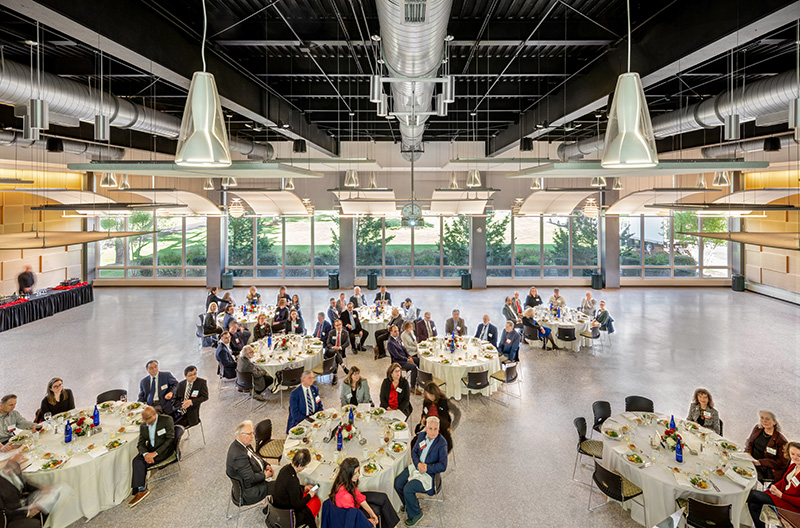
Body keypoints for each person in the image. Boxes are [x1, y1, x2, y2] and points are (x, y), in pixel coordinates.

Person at [393, 417, 448, 526]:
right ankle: (408, 503)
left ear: (438, 429)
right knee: (398, 483)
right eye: (430, 428)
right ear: (426, 428)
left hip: (428, 475)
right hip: (416, 467)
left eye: (435, 429)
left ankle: (416, 513)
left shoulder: (442, 443)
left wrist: (427, 467)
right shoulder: (422, 436)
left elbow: (443, 466)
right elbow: (414, 452)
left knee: (408, 489)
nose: (433, 432)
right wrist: (418, 464)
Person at [330, 457, 399, 528]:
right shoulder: (345, 497)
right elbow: (351, 521)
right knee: (378, 509)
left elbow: (359, 497)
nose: (358, 475)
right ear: (348, 474)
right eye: (355, 473)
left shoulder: (345, 481)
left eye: (358, 471)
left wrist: (371, 513)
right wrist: (369, 521)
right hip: (350, 517)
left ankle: (394, 526)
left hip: (354, 501)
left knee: (383, 498)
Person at [128, 406, 175, 507]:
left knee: (141, 464)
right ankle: (141, 489)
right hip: (150, 450)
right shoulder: (144, 426)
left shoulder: (167, 420)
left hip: (164, 450)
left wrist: (155, 453)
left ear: (154, 415)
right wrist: (146, 454)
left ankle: (141, 490)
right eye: (144, 419)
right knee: (136, 460)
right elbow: (140, 444)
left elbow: (170, 439)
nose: (145, 421)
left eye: (147, 419)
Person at [746, 442, 800, 528]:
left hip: (791, 507)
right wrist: (775, 486)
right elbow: (784, 481)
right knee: (753, 505)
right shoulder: (793, 466)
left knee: (752, 494)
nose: (795, 457)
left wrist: (781, 495)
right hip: (782, 497)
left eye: (799, 455)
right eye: (792, 454)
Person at [226, 420, 274, 508]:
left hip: (254, 477)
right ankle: (274, 510)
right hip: (249, 490)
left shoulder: (243, 444)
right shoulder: (238, 456)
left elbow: (256, 457)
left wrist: (266, 465)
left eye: (253, 433)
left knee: (282, 477)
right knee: (279, 485)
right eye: (250, 434)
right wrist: (265, 476)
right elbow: (250, 478)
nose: (252, 436)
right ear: (241, 435)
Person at [272, 449, 321, 527]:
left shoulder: (285, 468)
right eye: (304, 466)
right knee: (314, 505)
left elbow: (289, 487)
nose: (304, 468)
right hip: (287, 513)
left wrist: (304, 487)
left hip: (278, 506)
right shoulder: (293, 480)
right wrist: (309, 495)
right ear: (299, 466)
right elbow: (297, 505)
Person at [0, 452, 48, 527]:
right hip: (12, 516)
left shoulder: (13, 469)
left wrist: (41, 488)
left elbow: (24, 485)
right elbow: (5, 510)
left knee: (49, 498)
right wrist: (28, 508)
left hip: (23, 504)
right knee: (34, 523)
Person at [745, 411, 790, 482]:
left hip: (767, 468)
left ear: (774, 422)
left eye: (767, 419)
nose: (764, 421)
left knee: (748, 478)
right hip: (752, 460)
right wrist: (748, 454)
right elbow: (749, 443)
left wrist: (760, 462)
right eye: (762, 418)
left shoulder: (781, 441)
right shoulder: (757, 429)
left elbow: (782, 463)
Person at [415, 382, 452, 451]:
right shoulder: (426, 401)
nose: (430, 397)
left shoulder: (443, 401)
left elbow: (446, 415)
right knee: (419, 442)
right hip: (428, 423)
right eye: (428, 395)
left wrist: (448, 427)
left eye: (432, 396)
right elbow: (424, 412)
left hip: (439, 425)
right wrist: (423, 418)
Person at [387, 325, 420, 391]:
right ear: (391, 332)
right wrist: (407, 359)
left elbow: (404, 349)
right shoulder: (390, 343)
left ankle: (416, 380)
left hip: (404, 358)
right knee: (414, 367)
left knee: (418, 360)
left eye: (398, 331)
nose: (397, 333)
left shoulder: (398, 338)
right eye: (395, 331)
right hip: (398, 362)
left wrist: (409, 356)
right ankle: (412, 387)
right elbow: (396, 356)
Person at [326, 319, 350, 385]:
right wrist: (333, 347)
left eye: (339, 325)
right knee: (335, 352)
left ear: (341, 325)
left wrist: (340, 347)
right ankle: (343, 366)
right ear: (334, 326)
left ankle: (335, 375)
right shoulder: (331, 333)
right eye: (337, 325)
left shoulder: (345, 333)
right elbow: (328, 343)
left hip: (340, 350)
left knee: (336, 356)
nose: (338, 326)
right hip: (331, 350)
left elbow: (347, 342)